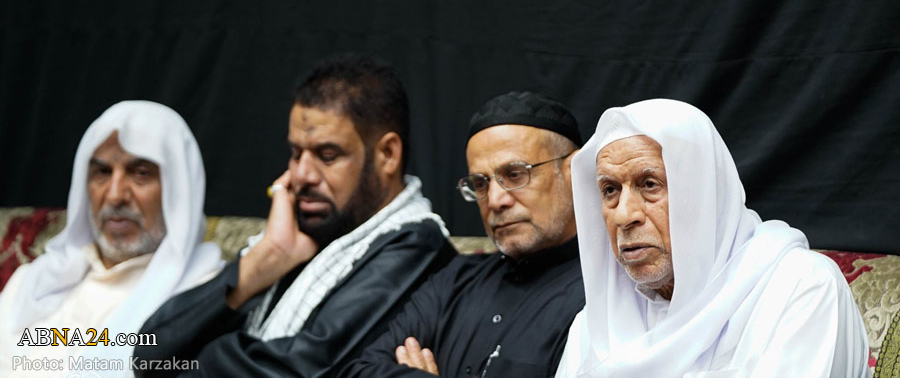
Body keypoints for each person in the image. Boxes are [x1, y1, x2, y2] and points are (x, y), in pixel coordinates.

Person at [133, 54, 456, 377]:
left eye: (327, 155)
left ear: (388, 154)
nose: (302, 175)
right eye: (296, 153)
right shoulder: (300, 238)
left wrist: (202, 355)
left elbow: (297, 370)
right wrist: (264, 260)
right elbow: (148, 353)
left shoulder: (416, 247)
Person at [554, 98, 871, 378]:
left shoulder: (801, 287)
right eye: (610, 190)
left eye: (649, 184)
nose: (624, 215)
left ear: (704, 192)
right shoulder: (596, 324)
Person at [341, 91, 586, 378]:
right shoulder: (454, 281)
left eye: (515, 174)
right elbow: (359, 371)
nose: (495, 200)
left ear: (574, 172)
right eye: (480, 183)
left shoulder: (605, 295)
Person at [0, 100, 224, 377]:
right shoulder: (32, 284)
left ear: (178, 189)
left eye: (140, 174)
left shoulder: (203, 297)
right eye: (103, 172)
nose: (115, 195)